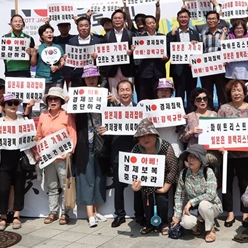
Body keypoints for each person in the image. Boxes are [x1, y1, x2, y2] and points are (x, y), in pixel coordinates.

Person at [217, 79, 248, 228]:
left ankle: (246, 214)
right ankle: (230, 213)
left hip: (246, 154)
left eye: (239, 90)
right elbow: (216, 130)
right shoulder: (223, 109)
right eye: (233, 90)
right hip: (227, 154)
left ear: (244, 92)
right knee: (226, 184)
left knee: (244, 184)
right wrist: (219, 147)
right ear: (229, 93)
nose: (236, 93)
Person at [33, 87, 77, 225]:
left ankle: (65, 213)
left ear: (61, 101)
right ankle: (53, 212)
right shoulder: (43, 115)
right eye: (50, 99)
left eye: (56, 99)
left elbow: (73, 134)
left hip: (62, 157)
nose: (53, 101)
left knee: (65, 186)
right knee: (52, 185)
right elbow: (39, 135)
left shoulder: (67, 115)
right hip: (47, 158)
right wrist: (38, 151)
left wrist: (70, 151)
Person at [0, 93, 30, 231]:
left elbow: (31, 138)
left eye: (15, 103)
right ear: (3, 107)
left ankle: (17, 215)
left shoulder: (24, 121)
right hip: (4, 161)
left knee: (19, 188)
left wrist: (34, 137)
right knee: (4, 190)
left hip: (19, 159)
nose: (13, 106)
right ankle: (3, 216)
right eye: (9, 103)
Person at [105, 80, 144, 228]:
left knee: (137, 186)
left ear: (132, 91)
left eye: (128, 90)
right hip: (118, 153)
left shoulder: (140, 110)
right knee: (119, 187)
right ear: (118, 93)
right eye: (122, 90)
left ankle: (139, 215)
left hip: (136, 153)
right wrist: (104, 132)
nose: (125, 93)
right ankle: (119, 215)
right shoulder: (111, 111)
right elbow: (109, 135)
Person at [130, 119, 178, 235]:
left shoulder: (165, 146)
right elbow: (132, 170)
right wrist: (134, 184)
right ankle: (149, 223)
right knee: (147, 201)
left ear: (155, 135)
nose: (146, 139)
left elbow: (172, 169)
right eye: (142, 136)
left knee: (162, 200)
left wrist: (166, 187)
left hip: (163, 179)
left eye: (149, 135)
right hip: (145, 182)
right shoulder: (136, 149)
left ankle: (164, 223)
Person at [75, 66, 108, 227]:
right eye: (88, 77)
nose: (91, 79)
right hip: (84, 141)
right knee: (87, 176)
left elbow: (113, 118)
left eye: (94, 77)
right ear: (83, 79)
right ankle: (90, 214)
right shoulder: (78, 95)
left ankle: (95, 210)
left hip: (100, 141)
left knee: (98, 176)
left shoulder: (105, 94)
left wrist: (112, 102)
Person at [171, 144, 221, 242]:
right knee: (186, 223)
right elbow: (179, 195)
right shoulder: (184, 173)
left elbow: (210, 195)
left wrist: (191, 202)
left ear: (201, 160)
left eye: (194, 157)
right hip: (193, 209)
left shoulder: (208, 172)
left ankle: (210, 229)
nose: (191, 160)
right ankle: (197, 223)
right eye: (189, 157)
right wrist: (177, 215)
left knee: (204, 205)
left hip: (211, 206)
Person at [166, 8, 200, 107]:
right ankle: (179, 115)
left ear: (189, 18)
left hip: (191, 68)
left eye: (185, 17)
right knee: (179, 94)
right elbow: (168, 50)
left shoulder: (195, 33)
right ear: (177, 19)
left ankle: (191, 114)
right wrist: (172, 37)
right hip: (178, 69)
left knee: (191, 93)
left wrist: (196, 45)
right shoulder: (171, 34)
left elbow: (199, 51)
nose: (183, 19)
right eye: (181, 17)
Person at [101, 10, 135, 100]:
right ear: (112, 20)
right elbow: (103, 54)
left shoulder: (131, 34)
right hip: (112, 71)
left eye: (119, 18)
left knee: (128, 94)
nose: (117, 20)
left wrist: (132, 52)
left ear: (124, 20)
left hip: (128, 70)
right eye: (115, 18)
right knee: (114, 97)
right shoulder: (107, 36)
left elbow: (137, 53)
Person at [134, 15, 168, 101]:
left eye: (153, 23)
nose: (152, 25)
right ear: (145, 26)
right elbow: (136, 56)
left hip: (159, 72)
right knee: (145, 97)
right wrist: (133, 49)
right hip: (145, 72)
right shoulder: (139, 39)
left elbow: (169, 51)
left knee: (159, 97)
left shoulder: (163, 37)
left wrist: (166, 57)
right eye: (149, 23)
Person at [201, 11, 227, 107]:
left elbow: (227, 50)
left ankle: (222, 112)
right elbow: (199, 51)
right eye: (209, 19)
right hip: (206, 69)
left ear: (218, 20)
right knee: (207, 92)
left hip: (220, 68)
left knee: (222, 91)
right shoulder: (202, 35)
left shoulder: (224, 34)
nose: (211, 21)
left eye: (213, 19)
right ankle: (209, 112)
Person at [68, 16, 102, 88]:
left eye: (86, 26)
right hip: (76, 76)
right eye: (81, 26)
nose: (83, 28)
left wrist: (97, 57)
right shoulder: (72, 41)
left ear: (90, 26)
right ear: (77, 28)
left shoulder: (97, 41)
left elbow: (102, 58)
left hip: (92, 77)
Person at [33, 24, 67, 93]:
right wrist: (34, 53)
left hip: (56, 80)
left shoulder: (58, 47)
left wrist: (57, 67)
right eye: (47, 32)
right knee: (43, 102)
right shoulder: (38, 48)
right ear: (41, 36)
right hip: (41, 80)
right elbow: (33, 64)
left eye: (51, 32)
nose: (49, 34)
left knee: (56, 100)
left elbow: (62, 61)